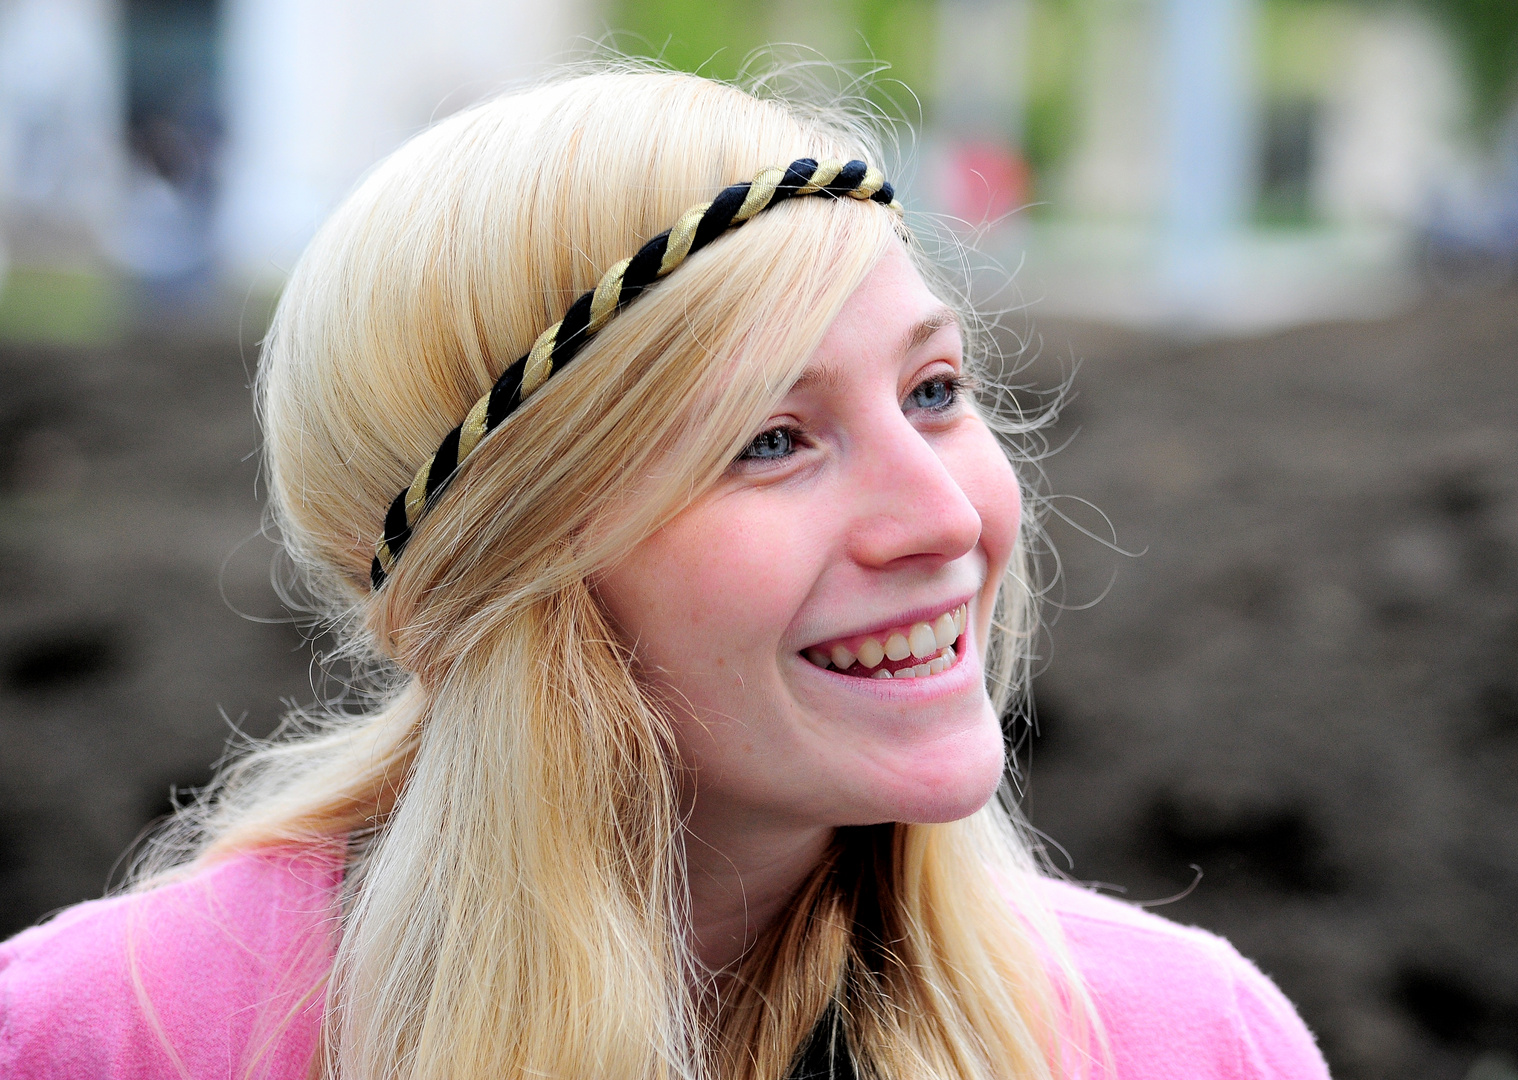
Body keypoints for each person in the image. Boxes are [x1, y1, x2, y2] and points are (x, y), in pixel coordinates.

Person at [0, 68, 1332, 1080]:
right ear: (511, 562)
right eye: (769, 439)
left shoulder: (1180, 1043)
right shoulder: (101, 1037)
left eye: (934, 390)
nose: (943, 518)